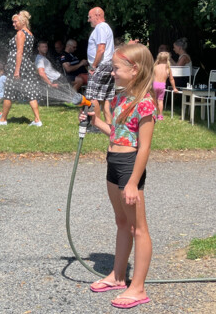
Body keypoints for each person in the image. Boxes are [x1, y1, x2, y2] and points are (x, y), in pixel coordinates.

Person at [80, 43, 155, 310]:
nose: (112, 73)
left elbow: (144, 147)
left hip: (129, 167)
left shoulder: (145, 103)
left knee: (139, 228)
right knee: (122, 221)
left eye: (116, 68)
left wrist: (133, 182)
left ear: (134, 70)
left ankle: (138, 288)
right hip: (113, 162)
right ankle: (118, 276)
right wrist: (95, 121)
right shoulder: (121, 98)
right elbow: (117, 133)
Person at [0, 10, 44, 126]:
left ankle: (3, 119)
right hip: (27, 65)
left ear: (23, 21)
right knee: (30, 92)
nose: (13, 24)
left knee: (9, 90)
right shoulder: (30, 34)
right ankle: (37, 120)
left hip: (18, 65)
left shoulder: (20, 33)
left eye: (15, 22)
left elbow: (19, 52)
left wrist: (16, 70)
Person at [86, 7, 115, 126]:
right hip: (108, 65)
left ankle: (96, 125)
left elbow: (101, 48)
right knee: (106, 97)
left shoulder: (101, 27)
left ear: (97, 16)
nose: (88, 20)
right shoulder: (105, 27)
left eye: (90, 17)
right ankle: (109, 124)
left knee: (92, 96)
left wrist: (93, 66)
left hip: (101, 65)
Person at [153, 52, 177, 120]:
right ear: (167, 59)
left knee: (154, 100)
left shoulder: (155, 67)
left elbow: (150, 77)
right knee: (160, 101)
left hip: (154, 84)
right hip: (162, 86)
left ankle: (154, 114)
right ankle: (160, 115)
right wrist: (174, 88)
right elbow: (171, 79)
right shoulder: (168, 68)